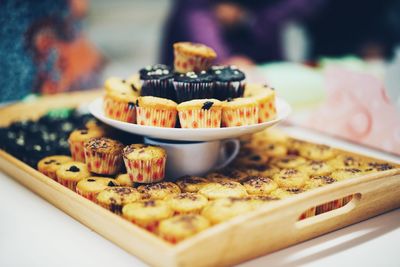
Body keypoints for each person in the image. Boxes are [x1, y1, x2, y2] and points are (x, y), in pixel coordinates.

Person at [160, 0, 326, 66]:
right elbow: (194, 10)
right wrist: (220, 57)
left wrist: (251, 18)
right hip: (202, 43)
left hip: (262, 35)